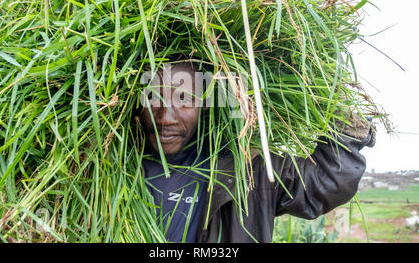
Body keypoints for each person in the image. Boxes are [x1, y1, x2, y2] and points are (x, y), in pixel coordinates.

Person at [138, 61, 375, 243]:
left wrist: (337, 105)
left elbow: (327, 182)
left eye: (184, 99)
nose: (165, 117)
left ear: (207, 105)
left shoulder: (251, 168)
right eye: (152, 96)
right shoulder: (115, 168)